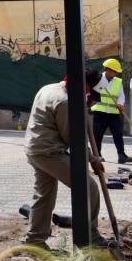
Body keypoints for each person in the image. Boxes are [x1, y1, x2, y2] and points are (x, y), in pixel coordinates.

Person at [23, 70, 106, 248]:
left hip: (35, 149)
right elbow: (74, 140)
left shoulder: (49, 88)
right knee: (88, 187)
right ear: (86, 88)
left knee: (44, 195)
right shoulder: (66, 102)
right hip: (49, 153)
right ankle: (90, 235)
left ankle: (34, 240)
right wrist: (92, 159)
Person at [92, 58, 132, 164]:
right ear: (108, 70)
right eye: (114, 71)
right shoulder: (98, 80)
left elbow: (121, 96)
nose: (115, 74)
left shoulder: (117, 82)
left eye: (116, 72)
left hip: (114, 113)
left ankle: (121, 155)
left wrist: (120, 103)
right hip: (99, 112)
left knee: (118, 134)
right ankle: (97, 155)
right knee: (97, 135)